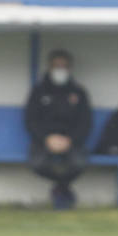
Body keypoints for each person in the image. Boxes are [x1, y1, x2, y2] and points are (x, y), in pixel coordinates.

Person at [23, 49, 92, 209]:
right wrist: (46, 139)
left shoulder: (79, 93)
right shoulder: (39, 91)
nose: (60, 70)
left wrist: (70, 140)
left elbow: (85, 123)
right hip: (44, 141)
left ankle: (60, 189)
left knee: (79, 163)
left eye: (64, 66)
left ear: (70, 68)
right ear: (49, 67)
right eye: (56, 66)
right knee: (37, 164)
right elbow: (31, 121)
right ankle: (63, 188)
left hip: (71, 142)